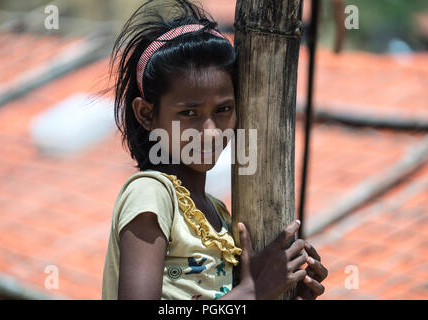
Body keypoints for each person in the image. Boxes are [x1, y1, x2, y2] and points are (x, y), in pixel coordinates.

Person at [102, 0, 327, 300]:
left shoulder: (217, 213)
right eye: (189, 113)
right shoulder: (151, 194)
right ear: (146, 115)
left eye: (223, 109)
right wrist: (252, 294)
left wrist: (282, 288)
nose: (209, 131)